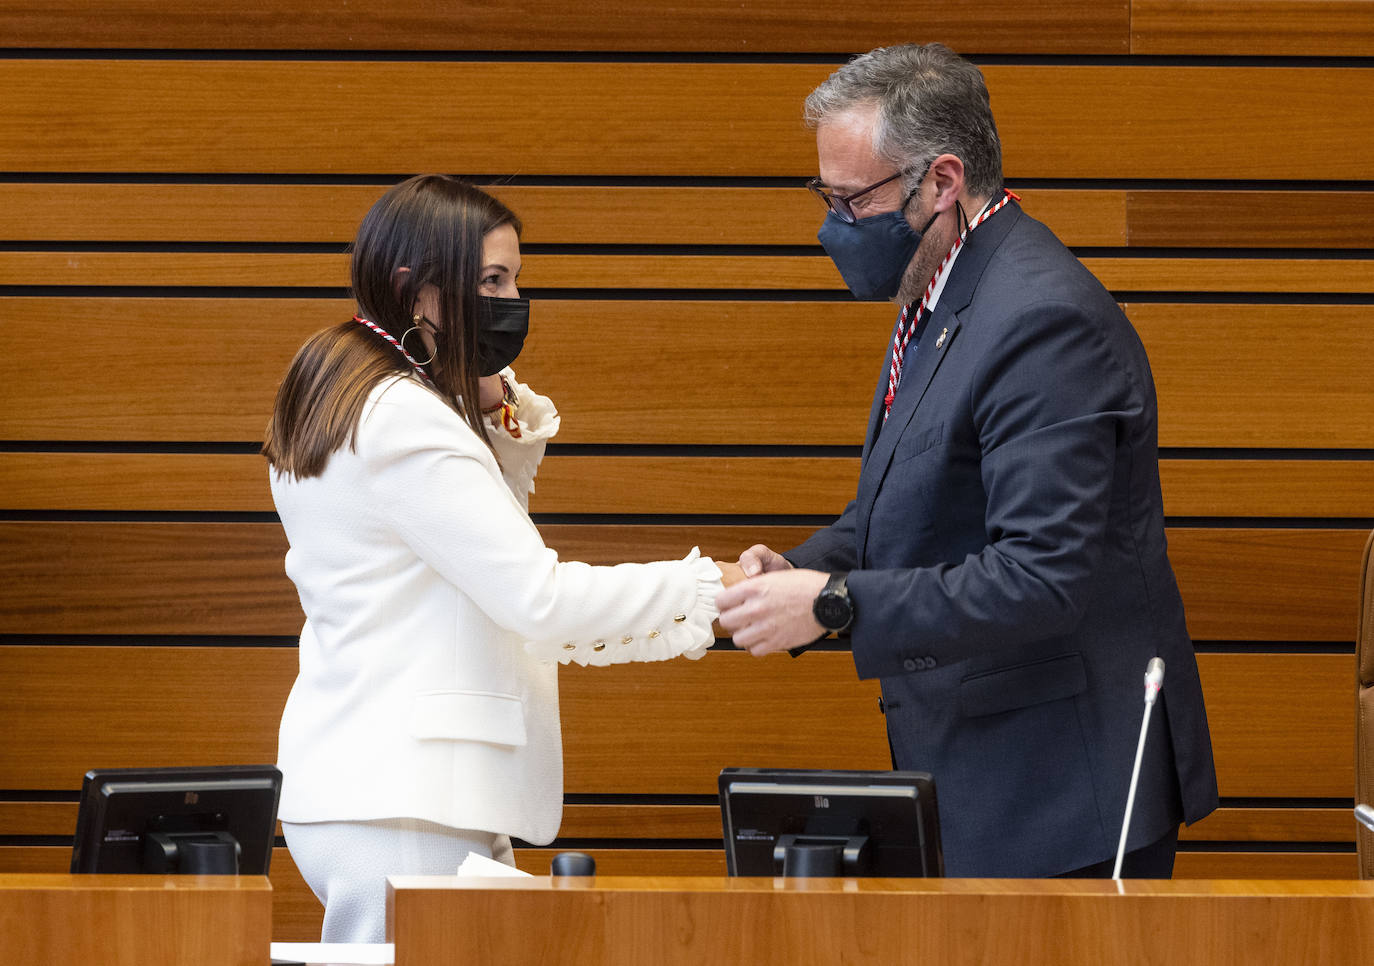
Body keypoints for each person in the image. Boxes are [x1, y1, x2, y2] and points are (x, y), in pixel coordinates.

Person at [716, 44, 1218, 878]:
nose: (835, 224)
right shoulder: (943, 287)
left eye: (852, 200)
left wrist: (835, 606)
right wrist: (797, 570)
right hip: (990, 770)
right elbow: (910, 504)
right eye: (825, 196)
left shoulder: (1041, 320)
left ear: (942, 181)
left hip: (1063, 790)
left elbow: (1043, 574)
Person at [262, 174, 742, 941]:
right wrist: (712, 587)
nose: (514, 297)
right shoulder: (403, 419)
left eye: (514, 276)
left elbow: (484, 545)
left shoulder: (356, 386)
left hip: (394, 787)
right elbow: (536, 598)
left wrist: (487, 406)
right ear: (415, 291)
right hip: (409, 796)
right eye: (492, 280)